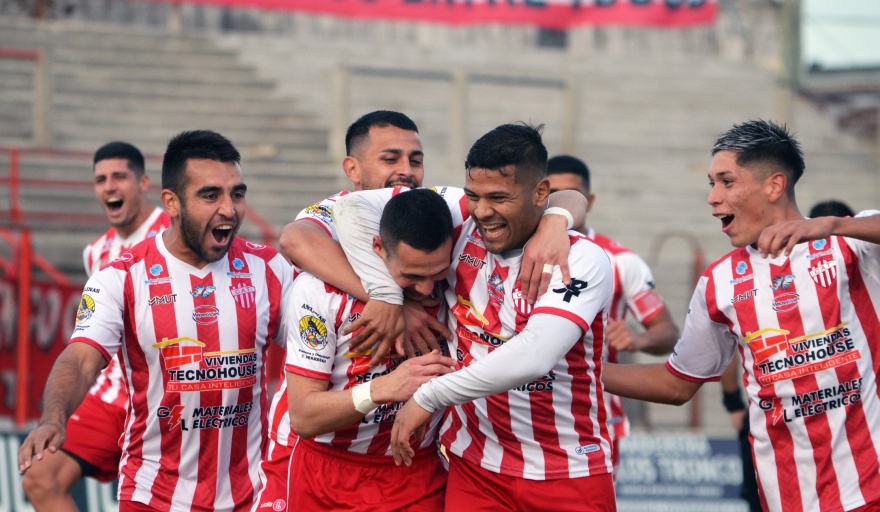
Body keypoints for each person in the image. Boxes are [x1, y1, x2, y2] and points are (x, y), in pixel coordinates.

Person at [332, 123, 617, 511]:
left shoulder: (582, 258)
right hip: (475, 470)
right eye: (473, 196)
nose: (482, 211)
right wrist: (387, 296)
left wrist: (430, 396)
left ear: (539, 194)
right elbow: (347, 208)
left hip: (565, 472)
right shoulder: (459, 218)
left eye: (499, 197)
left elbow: (534, 357)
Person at [602, 119, 880, 512]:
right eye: (711, 184)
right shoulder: (719, 281)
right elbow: (676, 385)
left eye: (726, 182)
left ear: (774, 186)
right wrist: (579, 371)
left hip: (871, 489)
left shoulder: (849, 244)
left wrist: (834, 224)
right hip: (785, 498)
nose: (713, 197)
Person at [18, 130, 293, 512]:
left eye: (238, 194)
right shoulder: (120, 274)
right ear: (172, 203)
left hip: (253, 493)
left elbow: (316, 349)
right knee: (42, 477)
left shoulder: (269, 269)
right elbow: (81, 358)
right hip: (155, 494)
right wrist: (54, 418)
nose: (229, 209)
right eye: (211, 195)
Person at [254, 110, 443, 512]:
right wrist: (390, 298)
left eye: (416, 160)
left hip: (411, 466)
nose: (406, 172)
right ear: (352, 169)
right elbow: (295, 239)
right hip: (317, 457)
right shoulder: (332, 225)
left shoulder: (442, 217)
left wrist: (556, 219)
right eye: (390, 159)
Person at [284, 189, 456, 510]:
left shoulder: (456, 285)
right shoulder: (318, 290)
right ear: (378, 248)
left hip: (415, 473)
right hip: (328, 475)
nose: (427, 288)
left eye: (437, 274)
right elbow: (304, 418)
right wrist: (379, 389)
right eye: (412, 276)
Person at [21, 141, 170, 511]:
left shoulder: (173, 233)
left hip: (168, 393)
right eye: (100, 179)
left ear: (144, 183)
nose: (109, 187)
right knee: (41, 479)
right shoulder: (96, 252)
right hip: (113, 395)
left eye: (120, 176)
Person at [546, 154, 679, 469]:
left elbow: (668, 332)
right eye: (555, 195)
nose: (565, 205)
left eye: (573, 195)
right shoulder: (521, 252)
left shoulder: (620, 261)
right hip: (522, 413)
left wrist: (639, 339)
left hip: (595, 419)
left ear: (589, 201)